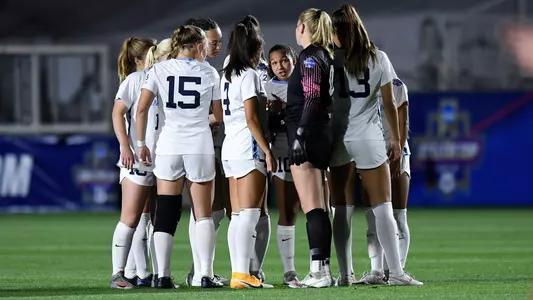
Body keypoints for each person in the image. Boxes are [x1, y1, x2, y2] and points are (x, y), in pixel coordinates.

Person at [331, 3, 422, 286]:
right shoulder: (377, 58)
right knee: (383, 207)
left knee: (342, 209)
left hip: (338, 138)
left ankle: (345, 274)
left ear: (335, 32)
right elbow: (389, 102)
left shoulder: (329, 60)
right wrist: (395, 140)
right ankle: (394, 273)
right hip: (368, 137)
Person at [136, 25, 223, 289]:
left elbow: (141, 110)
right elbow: (218, 117)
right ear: (198, 45)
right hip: (199, 145)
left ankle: (162, 276)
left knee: (166, 211)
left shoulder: (159, 69)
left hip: (169, 145)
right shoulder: (209, 72)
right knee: (203, 214)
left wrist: (141, 143)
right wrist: (197, 119)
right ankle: (205, 275)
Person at [221, 22, 275, 289]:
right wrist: (267, 149)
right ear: (255, 47)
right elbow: (252, 118)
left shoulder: (227, 73)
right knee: (251, 214)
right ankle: (243, 274)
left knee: (239, 215)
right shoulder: (251, 75)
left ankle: (238, 273)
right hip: (247, 146)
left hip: (229, 147)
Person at [286, 8, 335, 288]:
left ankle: (319, 272)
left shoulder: (309, 57)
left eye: (297, 24)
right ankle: (322, 269)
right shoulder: (324, 56)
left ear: (303, 27)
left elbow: (313, 96)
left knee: (313, 206)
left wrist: (300, 134)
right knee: (320, 206)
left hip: (308, 135)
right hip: (320, 132)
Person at [182, 17, 229, 288]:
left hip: (208, 144)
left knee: (213, 208)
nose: (217, 46)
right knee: (203, 209)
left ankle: (199, 269)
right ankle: (199, 271)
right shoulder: (203, 72)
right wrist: (208, 120)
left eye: (220, 41)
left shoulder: (207, 69)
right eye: (213, 42)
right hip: (195, 145)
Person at [110, 36, 157, 289]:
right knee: (130, 217)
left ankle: (141, 272)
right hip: (137, 157)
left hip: (157, 156)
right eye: (152, 51)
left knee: (145, 218)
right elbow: (117, 112)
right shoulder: (135, 79)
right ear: (139, 59)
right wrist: (125, 145)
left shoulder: (160, 75)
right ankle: (118, 274)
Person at [265, 44, 302, 287]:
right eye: (275, 63)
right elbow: (266, 123)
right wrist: (274, 113)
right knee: (287, 209)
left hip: (309, 147)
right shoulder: (268, 87)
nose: (280, 66)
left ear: (294, 60)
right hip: (281, 148)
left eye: (284, 61)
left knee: (317, 209)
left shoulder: (307, 83)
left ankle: (325, 268)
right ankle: (289, 272)